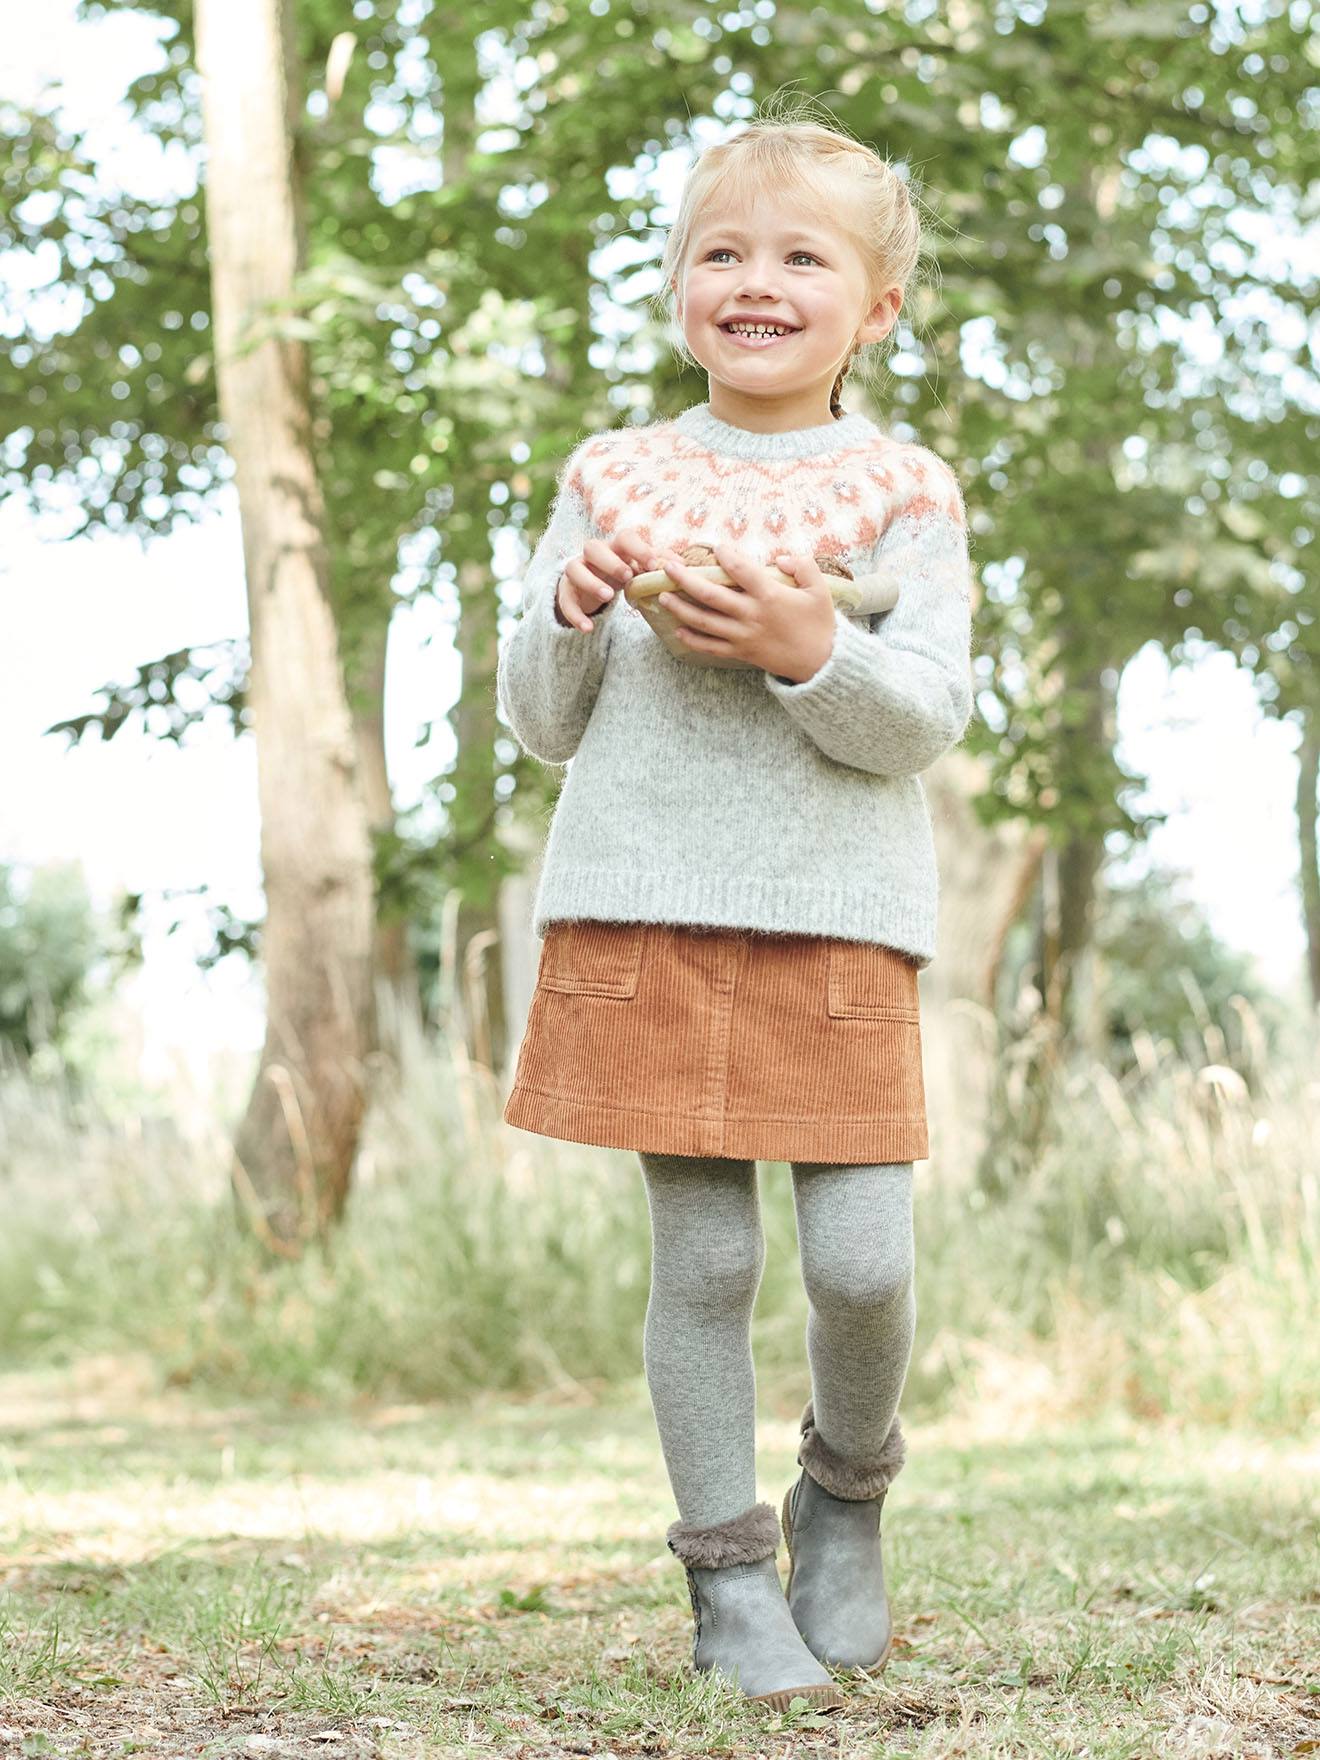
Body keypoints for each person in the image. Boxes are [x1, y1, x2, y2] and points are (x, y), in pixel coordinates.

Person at [495, 108, 975, 1714]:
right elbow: (542, 720)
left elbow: (920, 716)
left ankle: (847, 1489)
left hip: (837, 919)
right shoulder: (613, 474)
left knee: (859, 1263)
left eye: (800, 256)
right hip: (645, 904)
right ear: (678, 285)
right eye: (721, 251)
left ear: (877, 307)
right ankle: (724, 1577)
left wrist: (803, 648)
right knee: (701, 1266)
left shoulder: (903, 490)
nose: (754, 282)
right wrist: (566, 613)